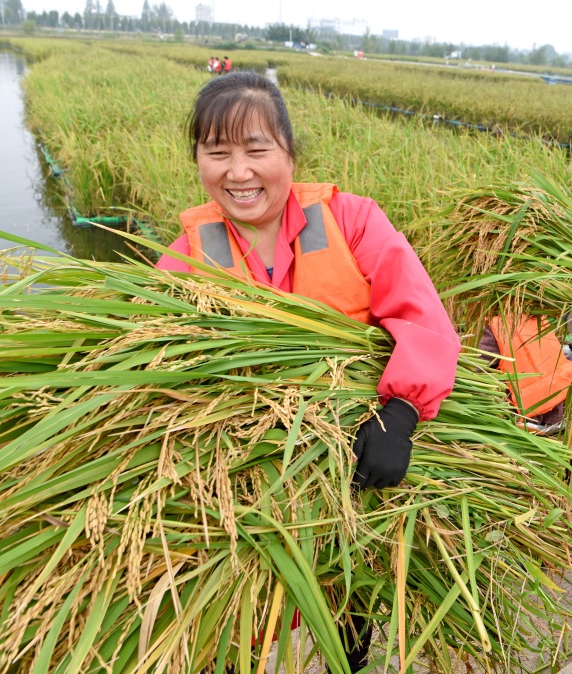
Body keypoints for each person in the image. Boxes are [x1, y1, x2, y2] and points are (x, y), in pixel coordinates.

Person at [155, 71, 461, 671]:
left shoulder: (352, 222)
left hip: (353, 468)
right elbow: (145, 349)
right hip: (250, 491)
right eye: (217, 153)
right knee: (252, 617)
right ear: (197, 160)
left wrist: (400, 413)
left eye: (256, 150)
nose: (238, 173)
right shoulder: (190, 254)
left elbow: (423, 317)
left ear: (289, 154)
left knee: (351, 599)